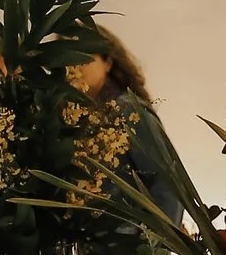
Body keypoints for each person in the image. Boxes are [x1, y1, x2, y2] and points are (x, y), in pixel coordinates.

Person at [67, 28, 185, 225]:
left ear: (108, 62)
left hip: (129, 247)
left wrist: (155, 250)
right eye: (67, 58)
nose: (75, 67)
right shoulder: (71, 121)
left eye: (83, 56)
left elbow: (169, 186)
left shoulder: (129, 113)